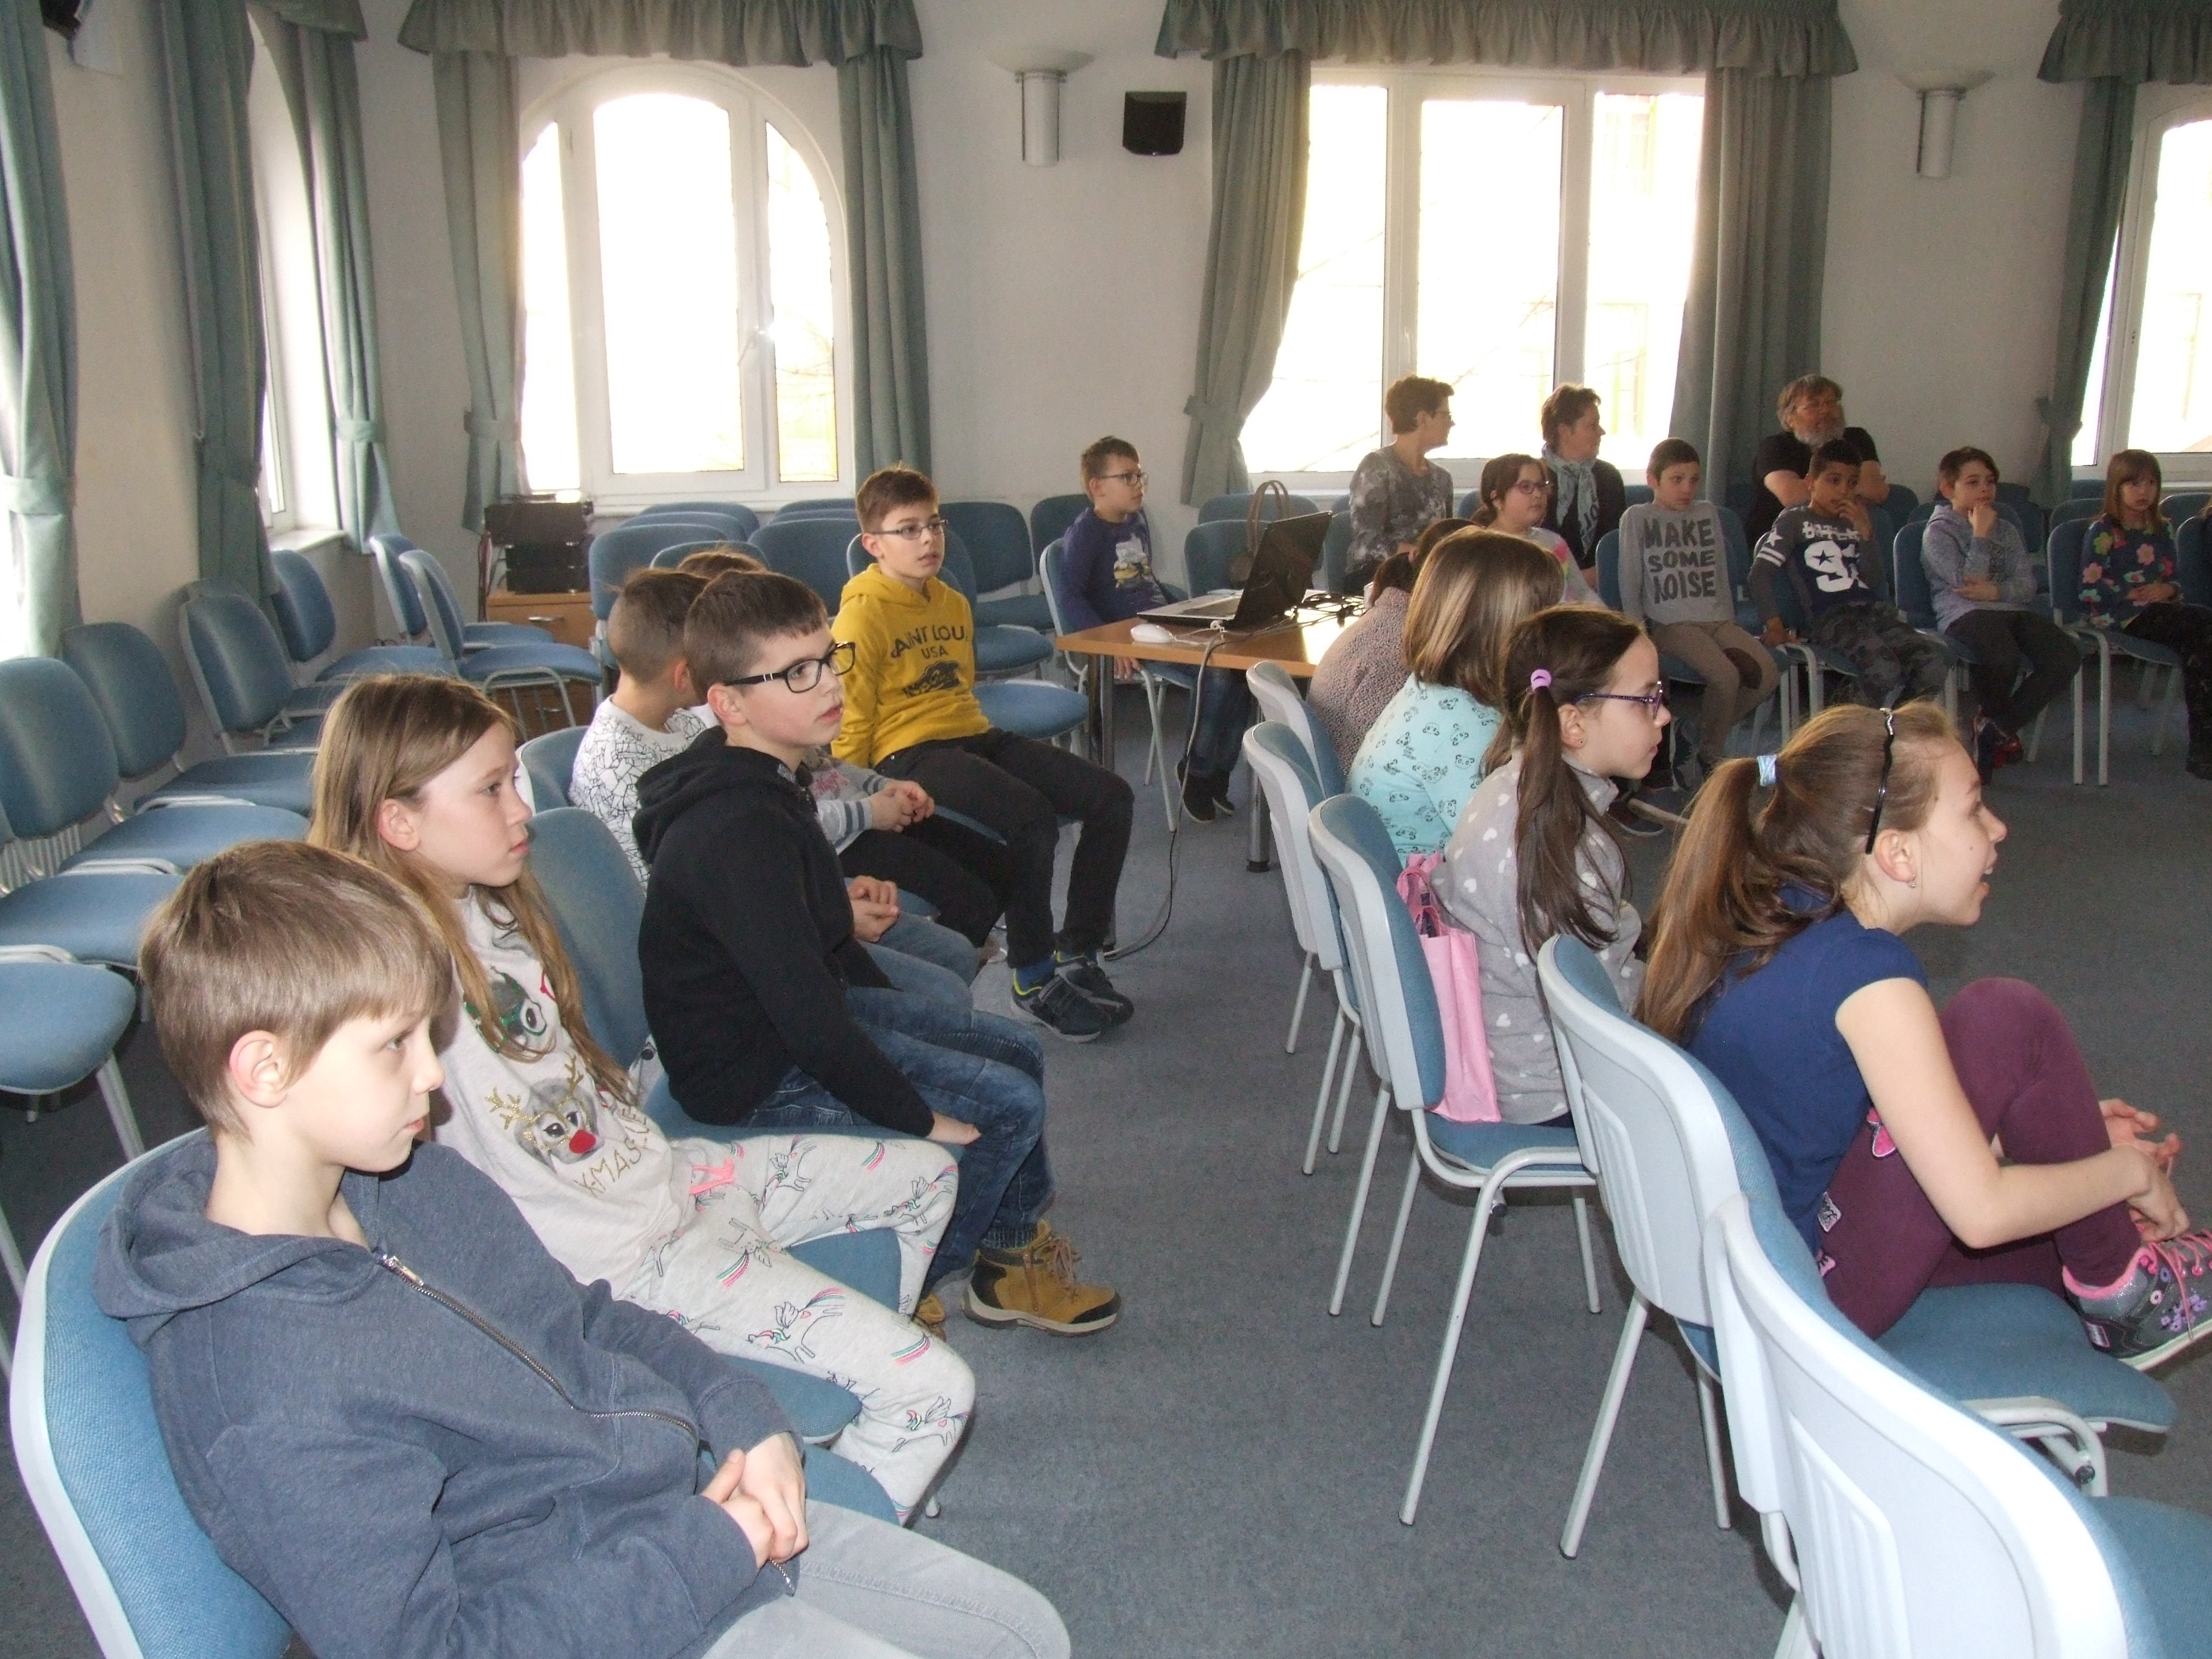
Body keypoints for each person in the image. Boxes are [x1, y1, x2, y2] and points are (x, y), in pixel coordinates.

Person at [97, 839, 1070, 1659]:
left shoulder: (412, 1182)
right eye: (394, 1045)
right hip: (609, 1613)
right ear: (264, 1069)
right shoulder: (266, 1391)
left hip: (668, 1521)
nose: (433, 1078)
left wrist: (746, 1417)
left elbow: (588, 1316)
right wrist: (710, 1547)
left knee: (1022, 1635)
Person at [308, 675, 975, 1519]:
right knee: (937, 1392)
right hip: (619, 1263)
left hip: (662, 1177)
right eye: (490, 790)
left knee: (927, 1175)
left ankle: (848, 1447)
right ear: (399, 822)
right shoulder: (394, 986)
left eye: (515, 781)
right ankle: (828, 1546)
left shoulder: (491, 909)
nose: (520, 811)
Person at [1640, 703, 2212, 1362]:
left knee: (2063, 1236)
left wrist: (2065, 1137)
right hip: (1800, 1303)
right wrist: (2125, 1173)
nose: (1997, 828)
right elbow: (1982, 1214)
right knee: (2005, 1016)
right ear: (1898, 853)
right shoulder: (1869, 981)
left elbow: (1826, 1124)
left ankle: (2115, 1267)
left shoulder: (1778, 916)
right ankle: (2124, 1291)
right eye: (1973, 809)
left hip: (1745, 1267)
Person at [637, 571, 1122, 1337]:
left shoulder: (769, 776)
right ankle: (903, 1289)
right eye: (797, 673)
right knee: (1005, 1107)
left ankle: (1008, 1265)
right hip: (750, 1073)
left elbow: (821, 947)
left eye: (827, 659)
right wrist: (915, 1117)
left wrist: (907, 1023)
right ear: (728, 703)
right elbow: (807, 1019)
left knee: (1014, 1052)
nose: (829, 683)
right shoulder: (734, 828)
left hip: (798, 1019)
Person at [571, 566, 984, 996]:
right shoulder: (621, 767)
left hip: (782, 890)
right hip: (740, 948)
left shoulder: (681, 721)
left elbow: (777, 821)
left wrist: (826, 894)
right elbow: (697, 907)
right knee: (942, 988)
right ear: (686, 675)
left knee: (951, 956)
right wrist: (834, 914)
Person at [834, 465, 1136, 1041]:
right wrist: (864, 809)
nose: (928, 539)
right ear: (873, 544)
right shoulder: (862, 614)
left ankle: (1078, 949)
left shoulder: (950, 601)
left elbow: (959, 690)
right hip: (906, 752)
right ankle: (1033, 978)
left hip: (973, 733)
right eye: (908, 529)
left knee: (1110, 797)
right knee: (1029, 817)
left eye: (934, 524)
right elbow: (850, 722)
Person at [1439, 608, 1668, 1123]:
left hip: (1525, 1062)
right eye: (1646, 700)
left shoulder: (1515, 788)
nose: (1663, 715)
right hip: (1560, 1092)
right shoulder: (1561, 846)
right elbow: (1600, 1013)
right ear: (1573, 724)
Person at [1058, 436, 1252, 822]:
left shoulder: (1137, 519)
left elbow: (1143, 582)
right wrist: (1111, 645)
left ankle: (1219, 771)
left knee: (1241, 668)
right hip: (1133, 638)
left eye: (1140, 475)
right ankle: (1196, 772)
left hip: (1161, 622)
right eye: (1127, 477)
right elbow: (1071, 599)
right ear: (1097, 487)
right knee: (1215, 674)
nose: (1138, 485)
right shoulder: (1086, 534)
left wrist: (1186, 609)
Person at [1349, 531, 1563, 857]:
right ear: (1502, 629)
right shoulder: (1464, 730)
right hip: (1432, 886)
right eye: (1544, 617)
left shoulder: (1435, 693)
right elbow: (1513, 854)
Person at [1617, 438, 1778, 789]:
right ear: (1653, 480)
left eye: (1693, 480)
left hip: (1716, 617)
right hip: (1672, 622)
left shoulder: (1706, 513)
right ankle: (1709, 753)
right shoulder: (1639, 517)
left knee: (1766, 675)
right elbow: (1630, 578)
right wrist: (1638, 633)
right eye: (1677, 480)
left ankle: (1697, 730)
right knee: (1726, 677)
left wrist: (1729, 622)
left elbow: (1718, 570)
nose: (1687, 489)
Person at [1922, 446, 2079, 781]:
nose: (1985, 489)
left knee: (2065, 655)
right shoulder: (1938, 532)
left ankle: (1995, 726)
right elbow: (1965, 583)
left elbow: (2027, 586)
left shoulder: (2006, 529)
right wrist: (1979, 535)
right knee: (2003, 655)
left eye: (1990, 481)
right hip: (1964, 615)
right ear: (1949, 489)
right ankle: (1993, 733)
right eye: (1973, 482)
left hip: (2010, 609)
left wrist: (1995, 591)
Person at [1753, 439, 1947, 709]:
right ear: (1810, 482)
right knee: (1884, 670)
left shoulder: (1855, 522)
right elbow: (1760, 575)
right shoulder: (1794, 521)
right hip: (1830, 618)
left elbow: (1874, 581)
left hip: (1872, 612)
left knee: (1933, 666)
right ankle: (1842, 726)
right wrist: (1774, 625)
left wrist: (1866, 536)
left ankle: (1894, 725)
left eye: (1852, 483)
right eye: (1834, 481)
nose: (1844, 490)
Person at [2079, 448, 2212, 781]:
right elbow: (2090, 588)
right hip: (2121, 613)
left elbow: (2175, 579)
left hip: (2161, 609)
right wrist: (2132, 592)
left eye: (2151, 483)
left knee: (2200, 645)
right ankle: (2203, 747)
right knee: (2202, 629)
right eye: (2134, 484)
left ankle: (2203, 746)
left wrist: (2167, 590)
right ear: (2117, 487)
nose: (2144, 492)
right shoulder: (2103, 531)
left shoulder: (2162, 529)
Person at [1308, 517, 1467, 769]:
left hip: (1338, 775)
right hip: (1354, 783)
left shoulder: (1389, 616)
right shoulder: (1402, 652)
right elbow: (1368, 761)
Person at [1745, 374, 1890, 546]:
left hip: (1850, 541)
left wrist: (1820, 492)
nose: (1825, 410)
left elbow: (1874, 490)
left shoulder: (1857, 439)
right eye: (1813, 405)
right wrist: (1857, 494)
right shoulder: (1775, 447)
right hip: (1786, 544)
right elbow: (1795, 499)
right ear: (1790, 418)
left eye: (1830, 402)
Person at [1346, 374, 1457, 588]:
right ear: (1423, 418)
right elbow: (1366, 543)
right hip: (1380, 578)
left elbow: (1446, 537)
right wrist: (1420, 555)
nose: (1451, 423)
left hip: (1428, 577)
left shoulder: (1442, 478)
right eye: (1446, 415)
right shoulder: (1377, 467)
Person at [1467, 453, 1603, 607]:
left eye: (1541, 486)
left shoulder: (1553, 543)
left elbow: (1583, 593)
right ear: (1497, 498)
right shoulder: (1482, 551)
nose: (1538, 494)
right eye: (1526, 487)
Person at [1539, 384, 1626, 577]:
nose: (1601, 432)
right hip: (1546, 582)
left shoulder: (1608, 477)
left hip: (1598, 582)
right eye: (1592, 425)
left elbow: (1616, 546)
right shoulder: (1535, 477)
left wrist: (1587, 581)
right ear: (1564, 431)